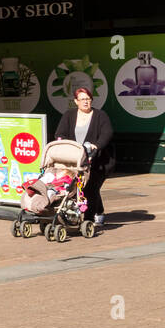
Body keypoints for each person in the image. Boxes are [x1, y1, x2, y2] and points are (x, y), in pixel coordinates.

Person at [53, 87, 115, 226]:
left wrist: (96, 145)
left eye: (88, 99)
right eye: (82, 99)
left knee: (90, 188)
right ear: (76, 101)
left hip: (99, 160)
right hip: (76, 159)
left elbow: (107, 133)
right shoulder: (69, 115)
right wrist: (62, 141)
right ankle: (98, 211)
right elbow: (60, 133)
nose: (86, 102)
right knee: (81, 187)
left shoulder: (100, 115)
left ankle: (88, 219)